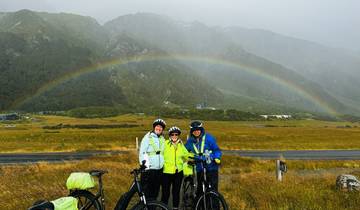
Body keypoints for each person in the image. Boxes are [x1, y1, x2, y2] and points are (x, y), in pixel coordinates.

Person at [185, 120, 222, 194]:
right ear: (191, 131)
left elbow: (216, 150)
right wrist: (189, 158)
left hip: (211, 167)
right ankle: (199, 205)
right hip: (199, 168)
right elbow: (184, 152)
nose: (196, 132)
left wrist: (217, 157)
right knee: (200, 189)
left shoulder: (209, 138)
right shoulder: (190, 141)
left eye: (198, 130)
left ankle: (213, 205)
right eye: (194, 131)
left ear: (201, 130)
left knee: (212, 189)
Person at [161, 126, 190, 210]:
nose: (174, 136)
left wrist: (195, 158)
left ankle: (175, 208)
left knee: (176, 192)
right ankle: (163, 208)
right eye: (172, 134)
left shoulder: (181, 145)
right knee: (165, 193)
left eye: (176, 134)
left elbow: (186, 155)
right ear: (169, 135)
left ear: (178, 135)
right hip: (166, 172)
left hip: (178, 173)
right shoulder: (165, 143)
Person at [139, 118, 166, 201]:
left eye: (161, 127)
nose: (159, 128)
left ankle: (153, 206)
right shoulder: (147, 137)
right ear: (154, 127)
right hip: (150, 170)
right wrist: (144, 167)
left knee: (155, 192)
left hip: (159, 170)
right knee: (147, 193)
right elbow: (142, 152)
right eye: (157, 126)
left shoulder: (162, 139)